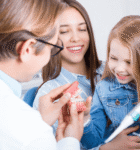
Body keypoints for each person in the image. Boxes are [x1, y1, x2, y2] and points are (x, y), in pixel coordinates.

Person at [0, 0, 85, 149]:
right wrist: (70, 142)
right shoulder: (33, 133)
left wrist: (41, 122)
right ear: (28, 49)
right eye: (52, 47)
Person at [33, 0, 104, 149]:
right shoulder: (48, 95)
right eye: (64, 31)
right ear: (50, 37)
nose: (76, 38)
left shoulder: (113, 71)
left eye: (82, 29)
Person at [81, 15, 140, 150]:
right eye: (113, 58)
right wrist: (84, 120)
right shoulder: (104, 90)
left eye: (129, 62)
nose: (119, 68)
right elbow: (91, 142)